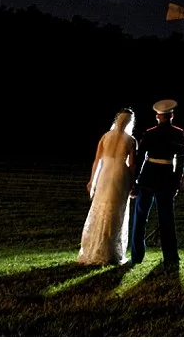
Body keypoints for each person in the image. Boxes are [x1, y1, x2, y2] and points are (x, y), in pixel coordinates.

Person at [130, 97, 184, 268]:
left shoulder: (150, 133)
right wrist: (176, 183)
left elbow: (140, 159)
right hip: (167, 178)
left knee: (140, 218)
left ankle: (136, 255)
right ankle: (170, 257)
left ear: (157, 117)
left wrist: (134, 181)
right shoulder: (178, 133)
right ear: (172, 116)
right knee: (166, 220)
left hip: (148, 177)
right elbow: (181, 161)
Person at [77, 108, 137, 265]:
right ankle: (110, 251)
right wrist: (132, 183)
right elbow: (132, 165)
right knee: (116, 212)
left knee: (101, 208)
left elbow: (97, 160)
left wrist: (92, 180)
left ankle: (95, 248)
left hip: (105, 174)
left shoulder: (105, 137)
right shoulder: (130, 140)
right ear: (130, 122)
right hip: (120, 175)